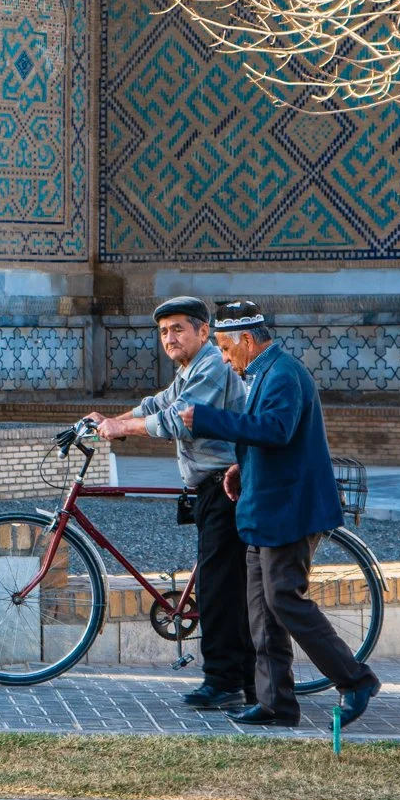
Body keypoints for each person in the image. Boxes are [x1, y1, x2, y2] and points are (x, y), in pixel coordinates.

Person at [103, 300, 379, 729]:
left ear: (247, 340)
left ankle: (355, 679)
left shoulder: (283, 374)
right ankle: (275, 703)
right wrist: (239, 466)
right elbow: (262, 435)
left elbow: (277, 430)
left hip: (289, 509)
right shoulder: (260, 374)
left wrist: (209, 420)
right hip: (261, 507)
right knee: (261, 609)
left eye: (225, 348)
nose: (223, 357)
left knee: (283, 599)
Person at [92, 297, 252, 711]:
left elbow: (176, 418)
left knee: (218, 590)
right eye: (163, 331)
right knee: (224, 584)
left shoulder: (212, 366)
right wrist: (110, 421)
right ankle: (246, 679)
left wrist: (122, 427)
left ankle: (224, 683)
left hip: (226, 487)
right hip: (209, 488)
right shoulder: (190, 370)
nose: (169, 338)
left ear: (204, 331)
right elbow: (156, 404)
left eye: (178, 328)